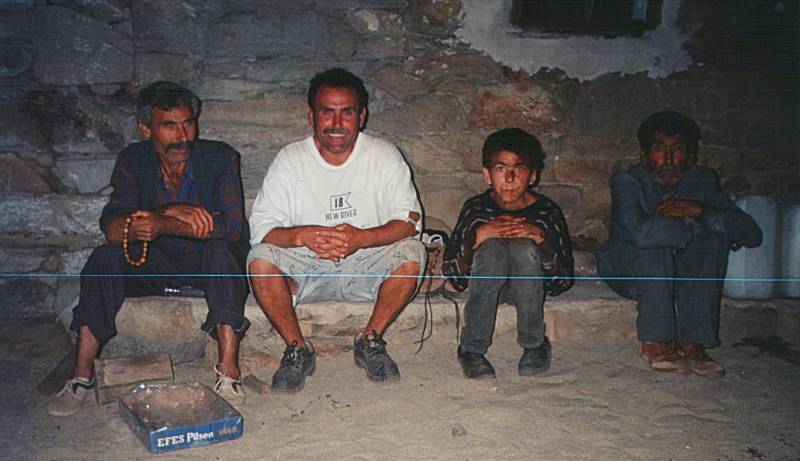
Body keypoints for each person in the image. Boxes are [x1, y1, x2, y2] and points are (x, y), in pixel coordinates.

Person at [47, 81, 251, 416]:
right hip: (154, 263)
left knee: (220, 251)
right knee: (104, 257)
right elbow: (112, 228)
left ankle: (228, 371)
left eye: (188, 123)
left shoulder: (220, 158)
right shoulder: (133, 160)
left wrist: (164, 223)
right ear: (146, 129)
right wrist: (167, 212)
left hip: (207, 266)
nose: (182, 136)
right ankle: (81, 377)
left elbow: (229, 227)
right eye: (169, 126)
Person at [248, 68, 425, 393]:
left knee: (412, 251)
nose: (337, 124)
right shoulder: (290, 160)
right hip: (306, 269)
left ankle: (371, 339)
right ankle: (297, 348)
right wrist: (305, 235)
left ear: (362, 116)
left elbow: (409, 224)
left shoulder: (384, 156)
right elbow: (261, 230)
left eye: (347, 113)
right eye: (327, 112)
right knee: (259, 258)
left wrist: (360, 239)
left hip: (366, 265)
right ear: (311, 115)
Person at [596, 110, 762, 377]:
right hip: (628, 269)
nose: (669, 158)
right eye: (660, 148)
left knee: (712, 238)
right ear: (644, 155)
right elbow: (640, 234)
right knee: (658, 239)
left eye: (679, 149)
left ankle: (692, 342)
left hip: (677, 275)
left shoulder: (702, 179)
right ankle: (656, 340)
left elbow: (751, 235)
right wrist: (691, 224)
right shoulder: (626, 181)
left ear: (691, 155)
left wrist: (701, 211)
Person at [443, 128, 573, 379]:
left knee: (523, 247)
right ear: (487, 175)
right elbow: (454, 279)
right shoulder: (476, 209)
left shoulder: (546, 212)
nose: (510, 178)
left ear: (533, 175)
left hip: (529, 286)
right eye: (501, 169)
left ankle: (534, 344)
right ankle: (471, 348)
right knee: (491, 250)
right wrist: (477, 238)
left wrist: (538, 238)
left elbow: (561, 282)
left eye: (520, 169)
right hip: (486, 284)